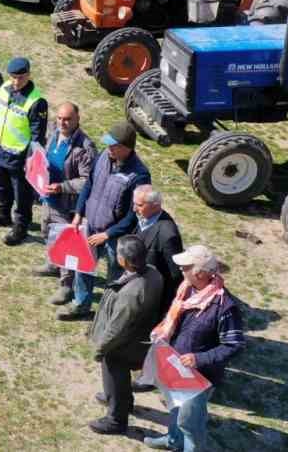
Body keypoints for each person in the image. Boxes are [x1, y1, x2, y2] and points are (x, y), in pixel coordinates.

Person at [144, 245, 247, 451]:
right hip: (175, 363)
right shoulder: (186, 290)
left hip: (199, 377)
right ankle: (174, 441)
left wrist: (199, 359)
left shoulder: (224, 306)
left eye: (185, 267)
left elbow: (235, 345)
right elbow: (173, 320)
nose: (180, 270)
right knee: (174, 407)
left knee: (190, 423)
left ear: (199, 272)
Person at [63, 121, 152, 321]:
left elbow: (133, 214)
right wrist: (78, 213)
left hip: (115, 237)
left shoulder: (139, 175)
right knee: (83, 265)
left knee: (115, 276)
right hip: (91, 224)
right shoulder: (103, 156)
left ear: (126, 148)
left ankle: (107, 312)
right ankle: (81, 304)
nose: (108, 148)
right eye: (108, 144)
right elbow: (89, 185)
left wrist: (108, 234)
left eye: (113, 145)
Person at [87, 234, 164, 436]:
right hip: (140, 336)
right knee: (118, 378)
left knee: (113, 369)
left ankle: (116, 419)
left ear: (124, 261)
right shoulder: (153, 273)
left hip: (126, 344)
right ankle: (122, 400)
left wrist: (101, 349)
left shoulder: (131, 293)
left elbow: (116, 328)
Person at [34, 102, 97, 305]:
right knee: (47, 232)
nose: (63, 122)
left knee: (66, 244)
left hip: (67, 203)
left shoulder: (85, 147)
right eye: (60, 118)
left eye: (68, 119)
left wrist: (63, 186)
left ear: (77, 119)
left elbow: (87, 181)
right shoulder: (53, 131)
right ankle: (53, 263)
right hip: (48, 197)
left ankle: (66, 285)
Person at [0, 57, 48, 246]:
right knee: (1, 186)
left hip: (20, 157)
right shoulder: (4, 88)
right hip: (1, 149)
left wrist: (31, 160)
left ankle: (21, 226)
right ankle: (3, 214)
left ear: (28, 74)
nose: (16, 82)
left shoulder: (36, 101)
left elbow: (37, 136)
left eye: (20, 77)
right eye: (13, 77)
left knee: (22, 195)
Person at [134, 186, 185, 317]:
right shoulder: (144, 217)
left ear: (155, 206)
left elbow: (175, 276)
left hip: (152, 294)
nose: (134, 208)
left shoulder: (168, 235)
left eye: (139, 205)